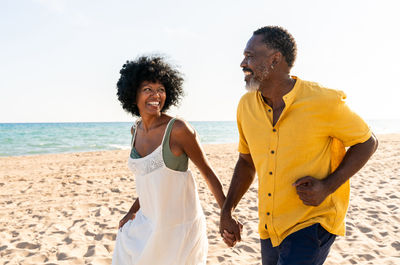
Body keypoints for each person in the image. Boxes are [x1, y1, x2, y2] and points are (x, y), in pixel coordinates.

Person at [219, 26, 378, 265]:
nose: (243, 63)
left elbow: (367, 141)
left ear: (275, 60)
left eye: (250, 55)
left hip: (313, 222)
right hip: (271, 225)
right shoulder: (246, 106)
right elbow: (246, 161)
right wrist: (227, 211)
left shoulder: (322, 101)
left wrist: (327, 186)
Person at [112, 55, 226, 265]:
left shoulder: (179, 130)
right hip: (147, 225)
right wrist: (131, 211)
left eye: (161, 89)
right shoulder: (135, 130)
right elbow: (152, 183)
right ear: (133, 93)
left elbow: (207, 173)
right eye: (147, 89)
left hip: (177, 228)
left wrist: (226, 214)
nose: (156, 95)